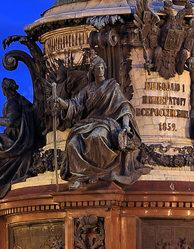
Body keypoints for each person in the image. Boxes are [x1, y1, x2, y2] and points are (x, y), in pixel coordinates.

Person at [54, 56, 150, 189]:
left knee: (97, 136)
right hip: (90, 122)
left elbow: (124, 106)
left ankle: (97, 173)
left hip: (108, 123)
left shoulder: (111, 86)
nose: (99, 70)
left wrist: (126, 125)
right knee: (72, 142)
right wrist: (59, 102)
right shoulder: (88, 89)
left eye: (101, 67)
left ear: (104, 68)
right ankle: (80, 177)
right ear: (93, 70)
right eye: (97, 67)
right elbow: (74, 105)